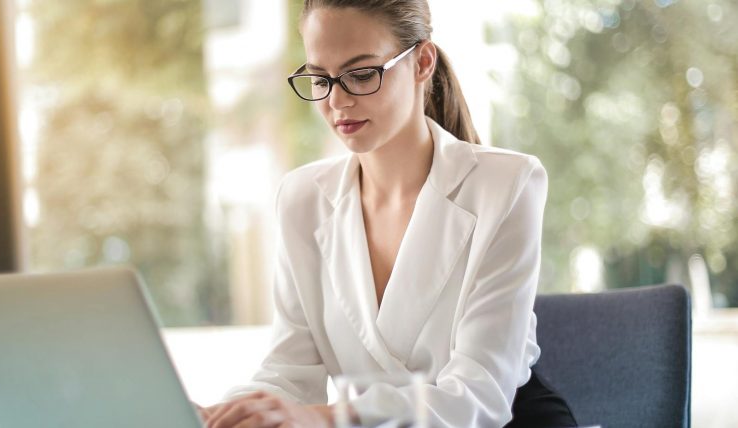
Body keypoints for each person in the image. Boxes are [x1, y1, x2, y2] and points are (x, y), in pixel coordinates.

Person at [199, 1, 577, 427]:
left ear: (422, 62)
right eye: (320, 78)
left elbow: (479, 396)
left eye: (361, 74)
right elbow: (288, 372)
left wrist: (326, 418)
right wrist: (219, 414)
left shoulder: (508, 184)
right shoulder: (302, 198)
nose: (337, 100)